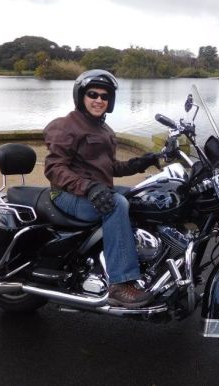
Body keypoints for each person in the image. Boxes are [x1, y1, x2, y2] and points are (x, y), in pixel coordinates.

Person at [43, 69, 159, 308]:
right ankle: (120, 282)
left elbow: (109, 167)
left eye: (104, 96)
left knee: (144, 196)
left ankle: (139, 255)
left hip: (93, 191)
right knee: (118, 204)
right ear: (81, 97)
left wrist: (139, 164)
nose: (98, 100)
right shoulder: (67, 125)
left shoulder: (104, 130)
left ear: (110, 101)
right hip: (67, 194)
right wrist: (89, 188)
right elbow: (54, 168)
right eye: (92, 94)